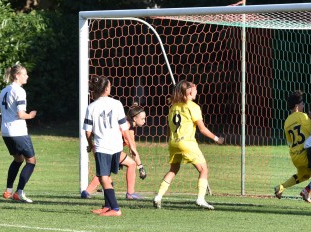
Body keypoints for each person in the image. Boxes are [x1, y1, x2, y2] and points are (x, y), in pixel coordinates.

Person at [153, 80, 224, 210]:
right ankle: (200, 199)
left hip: (173, 142)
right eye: (195, 88)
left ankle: (158, 196)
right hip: (187, 143)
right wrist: (216, 138)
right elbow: (202, 129)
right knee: (204, 169)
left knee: (173, 169)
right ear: (190, 91)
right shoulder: (193, 106)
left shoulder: (173, 107)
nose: (197, 91)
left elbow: (169, 128)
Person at [83, 75, 133, 217]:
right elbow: (124, 128)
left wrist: (90, 145)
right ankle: (107, 206)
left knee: (103, 176)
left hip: (102, 146)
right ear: (106, 89)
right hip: (117, 146)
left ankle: (115, 209)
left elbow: (87, 132)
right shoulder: (117, 104)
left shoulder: (91, 107)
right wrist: (130, 145)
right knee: (107, 176)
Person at [81, 103, 147, 200]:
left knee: (105, 172)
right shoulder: (128, 127)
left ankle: (86, 192)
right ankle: (130, 193)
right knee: (131, 164)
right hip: (106, 148)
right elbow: (132, 149)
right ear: (134, 119)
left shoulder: (127, 125)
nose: (144, 121)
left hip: (101, 147)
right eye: (142, 119)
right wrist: (140, 167)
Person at [0, 64, 37, 203]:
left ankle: (8, 191)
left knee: (18, 160)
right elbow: (20, 114)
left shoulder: (5, 90)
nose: (27, 76)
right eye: (24, 74)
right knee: (31, 161)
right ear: (17, 76)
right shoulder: (19, 91)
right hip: (18, 132)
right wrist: (30, 115)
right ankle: (19, 192)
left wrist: (1, 124)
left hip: (6, 132)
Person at [274, 90, 311, 201]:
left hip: (295, 156)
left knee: (303, 175)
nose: (303, 105)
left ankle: (280, 187)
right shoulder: (303, 117)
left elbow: (290, 142)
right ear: (297, 106)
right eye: (301, 103)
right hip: (306, 155)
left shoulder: (286, 122)